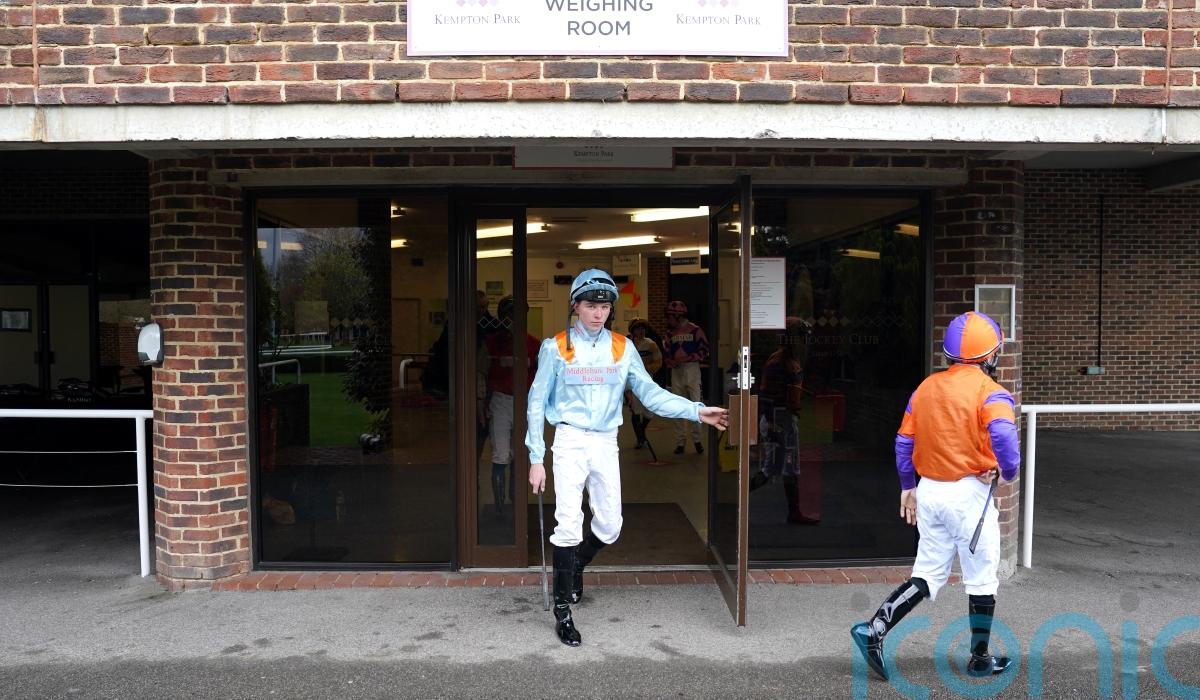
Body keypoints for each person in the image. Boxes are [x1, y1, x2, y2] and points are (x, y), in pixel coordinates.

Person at [527, 269, 729, 647]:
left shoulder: (622, 347)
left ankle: (579, 562)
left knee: (610, 526)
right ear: (576, 306)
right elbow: (536, 402)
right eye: (591, 305)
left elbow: (650, 394)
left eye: (604, 307)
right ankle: (563, 610)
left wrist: (696, 411)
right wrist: (536, 456)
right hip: (570, 440)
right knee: (568, 524)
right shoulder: (556, 347)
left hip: (605, 442)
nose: (598, 313)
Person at [851, 311, 1020, 681]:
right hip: (969, 496)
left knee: (927, 573)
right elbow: (1004, 436)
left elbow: (903, 441)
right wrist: (1007, 472)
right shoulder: (992, 392)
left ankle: (875, 628)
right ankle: (980, 659)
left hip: (929, 492)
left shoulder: (925, 388)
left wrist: (907, 487)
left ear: (948, 354)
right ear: (990, 355)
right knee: (981, 579)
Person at [750, 319, 817, 525]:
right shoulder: (779, 362)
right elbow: (767, 395)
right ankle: (736, 497)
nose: (804, 342)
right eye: (801, 337)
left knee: (784, 468)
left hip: (783, 419)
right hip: (778, 420)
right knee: (775, 468)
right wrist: (772, 424)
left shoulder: (789, 359)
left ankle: (794, 512)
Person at [483, 296, 541, 515]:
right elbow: (481, 372)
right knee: (500, 453)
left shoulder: (534, 344)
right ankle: (499, 507)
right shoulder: (491, 342)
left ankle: (516, 501)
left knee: (520, 453)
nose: (513, 319)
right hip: (501, 399)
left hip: (525, 401)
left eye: (518, 314)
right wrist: (481, 401)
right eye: (508, 314)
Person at [662, 300, 710, 455]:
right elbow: (666, 352)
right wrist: (669, 361)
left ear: (678, 316)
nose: (668, 320)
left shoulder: (695, 330)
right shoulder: (669, 333)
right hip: (676, 372)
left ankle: (697, 440)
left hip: (692, 370)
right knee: (677, 407)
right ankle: (680, 442)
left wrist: (687, 358)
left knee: (696, 405)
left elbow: (705, 351)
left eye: (670, 317)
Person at [625, 319, 663, 449]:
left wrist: (648, 369)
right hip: (633, 381)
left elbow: (658, 361)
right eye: (638, 329)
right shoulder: (628, 345)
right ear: (633, 331)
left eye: (643, 329)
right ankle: (640, 438)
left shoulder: (651, 344)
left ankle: (642, 429)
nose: (641, 331)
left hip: (647, 381)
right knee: (635, 410)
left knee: (649, 410)